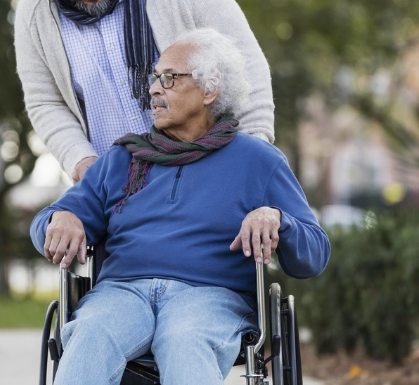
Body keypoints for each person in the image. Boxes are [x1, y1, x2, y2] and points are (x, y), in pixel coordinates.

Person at [30, 29, 330, 385]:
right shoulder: (123, 158)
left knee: (183, 339)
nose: (154, 89)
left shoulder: (258, 161)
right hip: (122, 293)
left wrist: (278, 219)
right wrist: (59, 219)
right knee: (90, 333)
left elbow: (314, 255)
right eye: (155, 78)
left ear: (210, 89)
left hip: (211, 297)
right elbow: (45, 224)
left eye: (169, 78)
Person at [14, 0, 274, 183]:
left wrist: (252, 160)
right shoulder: (34, 14)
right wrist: (80, 159)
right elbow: (45, 102)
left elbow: (246, 67)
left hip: (208, 179)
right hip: (117, 195)